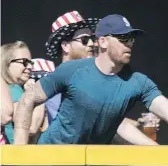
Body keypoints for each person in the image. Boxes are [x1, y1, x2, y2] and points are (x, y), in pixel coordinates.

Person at [13, 14, 168, 145]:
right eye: (123, 38)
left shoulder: (138, 82)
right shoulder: (72, 71)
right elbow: (28, 99)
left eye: (131, 39)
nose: (129, 43)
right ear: (103, 42)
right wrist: (19, 155)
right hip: (53, 161)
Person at [42, 10, 156, 141]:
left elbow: (111, 123)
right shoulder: (52, 84)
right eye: (84, 40)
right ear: (66, 46)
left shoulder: (90, 78)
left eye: (91, 38)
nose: (91, 44)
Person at [1, 41, 47, 143]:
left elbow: (43, 128)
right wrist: (37, 93)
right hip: (16, 156)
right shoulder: (13, 90)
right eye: (25, 62)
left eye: (31, 62)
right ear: (7, 63)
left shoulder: (16, 89)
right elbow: (31, 127)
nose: (30, 67)